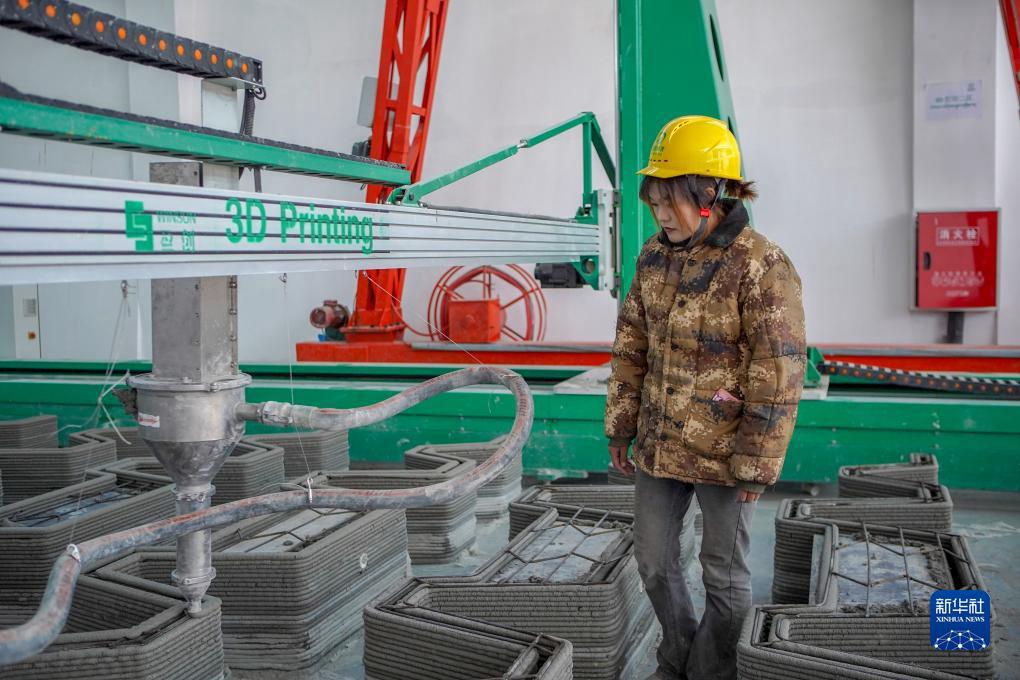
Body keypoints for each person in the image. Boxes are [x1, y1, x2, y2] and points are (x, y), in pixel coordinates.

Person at [605, 115, 807, 680]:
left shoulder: (760, 265)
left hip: (725, 452)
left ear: (711, 193)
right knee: (652, 562)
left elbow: (778, 372)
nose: (662, 215)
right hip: (659, 443)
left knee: (723, 575)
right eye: (654, 202)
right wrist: (621, 425)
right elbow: (631, 344)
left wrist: (755, 465)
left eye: (671, 202)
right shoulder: (653, 257)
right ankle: (677, 658)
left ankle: (712, 671)